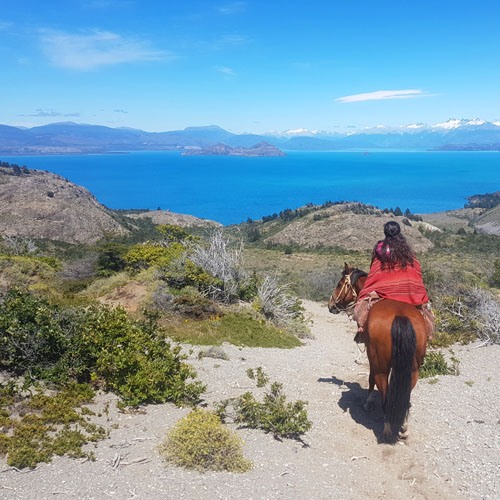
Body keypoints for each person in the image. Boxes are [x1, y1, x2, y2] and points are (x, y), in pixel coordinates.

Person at [352, 221, 434, 342]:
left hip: (382, 288)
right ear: (399, 232)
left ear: (385, 232)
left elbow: (374, 270)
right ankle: (428, 333)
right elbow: (416, 269)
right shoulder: (407, 251)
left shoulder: (379, 250)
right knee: (425, 310)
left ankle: (362, 329)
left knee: (364, 304)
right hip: (408, 291)